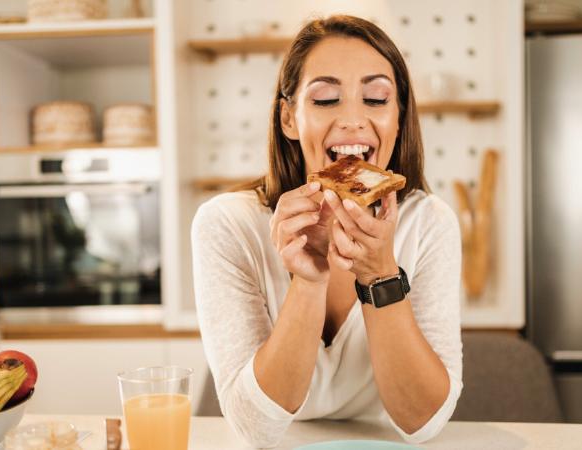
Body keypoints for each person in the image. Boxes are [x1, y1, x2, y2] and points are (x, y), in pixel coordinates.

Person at [192, 15, 462, 448]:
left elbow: (424, 424)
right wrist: (308, 280)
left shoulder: (429, 224)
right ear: (288, 118)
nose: (353, 119)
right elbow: (255, 430)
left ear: (398, 119)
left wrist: (379, 276)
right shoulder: (227, 226)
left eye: (376, 99)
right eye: (326, 99)